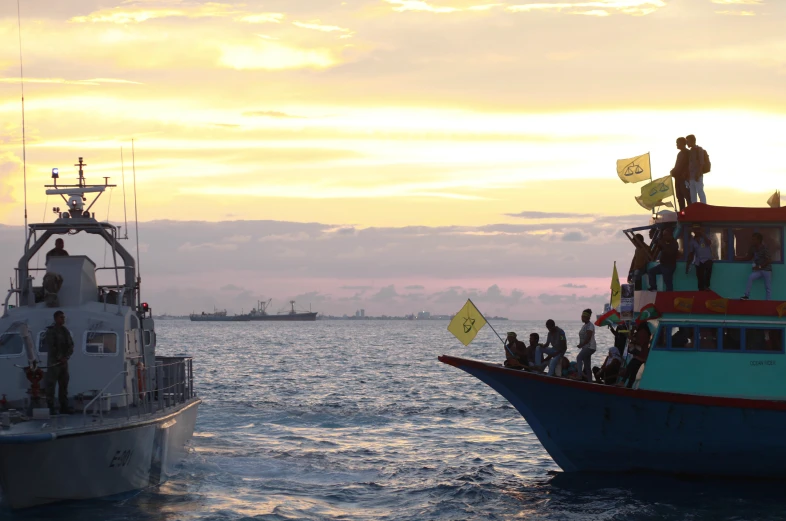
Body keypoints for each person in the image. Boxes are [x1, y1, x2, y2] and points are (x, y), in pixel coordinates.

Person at [44, 310, 74, 414]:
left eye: (64, 317)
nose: (63, 319)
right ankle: (50, 407)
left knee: (64, 385)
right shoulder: (51, 331)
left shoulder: (65, 331)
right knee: (51, 385)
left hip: (63, 363)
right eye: (61, 317)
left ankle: (63, 406)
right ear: (56, 319)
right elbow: (52, 347)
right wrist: (60, 357)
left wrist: (66, 357)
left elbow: (71, 345)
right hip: (54, 363)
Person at [736, 232, 772, 300]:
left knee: (768, 287)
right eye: (752, 239)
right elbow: (748, 257)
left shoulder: (764, 248)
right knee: (750, 277)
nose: (752, 241)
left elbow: (769, 260)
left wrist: (759, 267)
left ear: (759, 240)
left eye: (754, 239)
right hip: (759, 270)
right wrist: (737, 259)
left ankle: (768, 302)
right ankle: (746, 295)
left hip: (767, 270)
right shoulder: (753, 248)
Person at [685, 224, 713, 291]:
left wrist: (703, 234)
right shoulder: (692, 241)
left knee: (707, 270)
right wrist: (688, 264)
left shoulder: (706, 237)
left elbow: (709, 243)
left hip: (707, 259)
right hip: (698, 260)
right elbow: (691, 253)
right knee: (699, 276)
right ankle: (701, 289)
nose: (696, 231)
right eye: (695, 230)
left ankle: (707, 286)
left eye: (698, 229)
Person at [625, 324, 652, 388]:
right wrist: (632, 331)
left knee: (630, 368)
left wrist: (633, 339)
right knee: (633, 371)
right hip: (640, 355)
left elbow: (639, 342)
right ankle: (629, 385)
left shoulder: (642, 332)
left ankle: (624, 382)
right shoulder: (640, 332)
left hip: (641, 355)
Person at [670, 137, 691, 211]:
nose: (676, 145)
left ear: (682, 143)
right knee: (679, 197)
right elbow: (677, 166)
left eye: (678, 143)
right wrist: (673, 172)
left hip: (684, 179)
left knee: (687, 196)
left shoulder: (688, 153)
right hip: (678, 179)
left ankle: (690, 212)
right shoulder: (680, 154)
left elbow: (688, 166)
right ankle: (682, 212)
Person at [575, 309, 596, 382]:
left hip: (590, 347)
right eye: (581, 316)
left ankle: (580, 375)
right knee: (587, 366)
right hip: (586, 347)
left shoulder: (590, 326)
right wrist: (582, 345)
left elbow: (589, 337)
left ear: (588, 317)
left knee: (579, 358)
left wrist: (581, 345)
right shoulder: (585, 325)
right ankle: (590, 381)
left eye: (583, 316)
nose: (582, 318)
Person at [686, 134, 706, 204]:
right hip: (691, 176)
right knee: (693, 194)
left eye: (687, 141)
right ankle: (694, 207)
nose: (687, 143)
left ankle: (704, 206)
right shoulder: (691, 151)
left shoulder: (699, 150)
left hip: (697, 175)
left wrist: (698, 173)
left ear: (692, 141)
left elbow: (701, 163)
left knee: (700, 191)